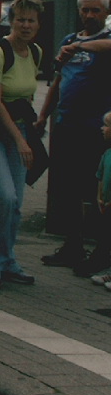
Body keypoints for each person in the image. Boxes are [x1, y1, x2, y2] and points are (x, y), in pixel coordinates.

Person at [36, 0, 111, 276]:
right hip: (66, 126)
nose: (89, 15)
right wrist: (43, 116)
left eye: (95, 10)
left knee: (96, 193)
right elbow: (56, 82)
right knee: (68, 190)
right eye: (85, 10)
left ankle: (102, 251)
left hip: (96, 130)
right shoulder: (69, 40)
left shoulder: (103, 41)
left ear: (105, 13)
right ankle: (73, 246)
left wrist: (81, 48)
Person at [0, 0, 43, 289]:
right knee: (4, 195)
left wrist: (30, 131)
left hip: (19, 132)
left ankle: (8, 259)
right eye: (20, 19)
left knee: (16, 201)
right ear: (11, 21)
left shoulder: (35, 52)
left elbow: (26, 95)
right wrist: (20, 140)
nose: (25, 26)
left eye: (31, 20)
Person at [88, 110, 111, 289]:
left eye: (107, 126)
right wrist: (100, 198)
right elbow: (100, 177)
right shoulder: (106, 154)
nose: (102, 129)